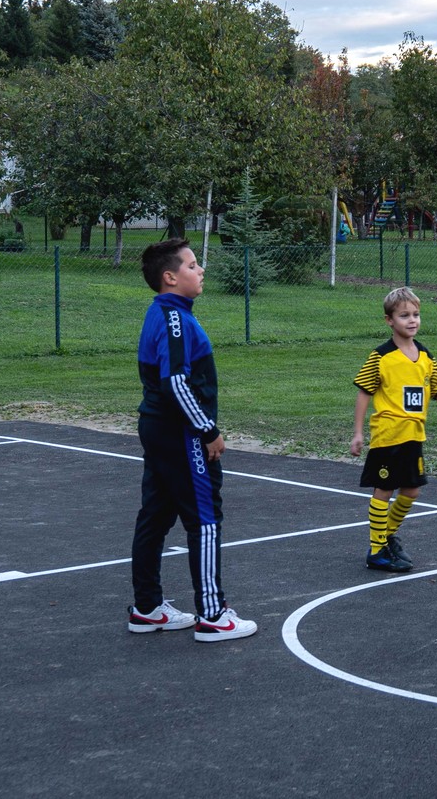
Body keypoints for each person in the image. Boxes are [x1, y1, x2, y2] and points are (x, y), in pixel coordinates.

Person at [127, 238, 256, 643]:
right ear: (170, 277)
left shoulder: (166, 314)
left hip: (159, 428)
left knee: (157, 514)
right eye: (193, 265)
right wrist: (208, 430)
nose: (201, 271)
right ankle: (213, 615)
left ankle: (147, 608)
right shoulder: (174, 319)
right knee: (204, 517)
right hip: (179, 432)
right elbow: (175, 383)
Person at [351, 287, 437, 573]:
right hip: (388, 434)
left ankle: (387, 536)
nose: (412, 320)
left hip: (414, 435)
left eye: (416, 314)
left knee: (411, 490)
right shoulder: (381, 356)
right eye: (404, 316)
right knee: (384, 488)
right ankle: (377, 551)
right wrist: (358, 432)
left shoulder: (425, 355)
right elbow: (364, 391)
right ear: (389, 321)